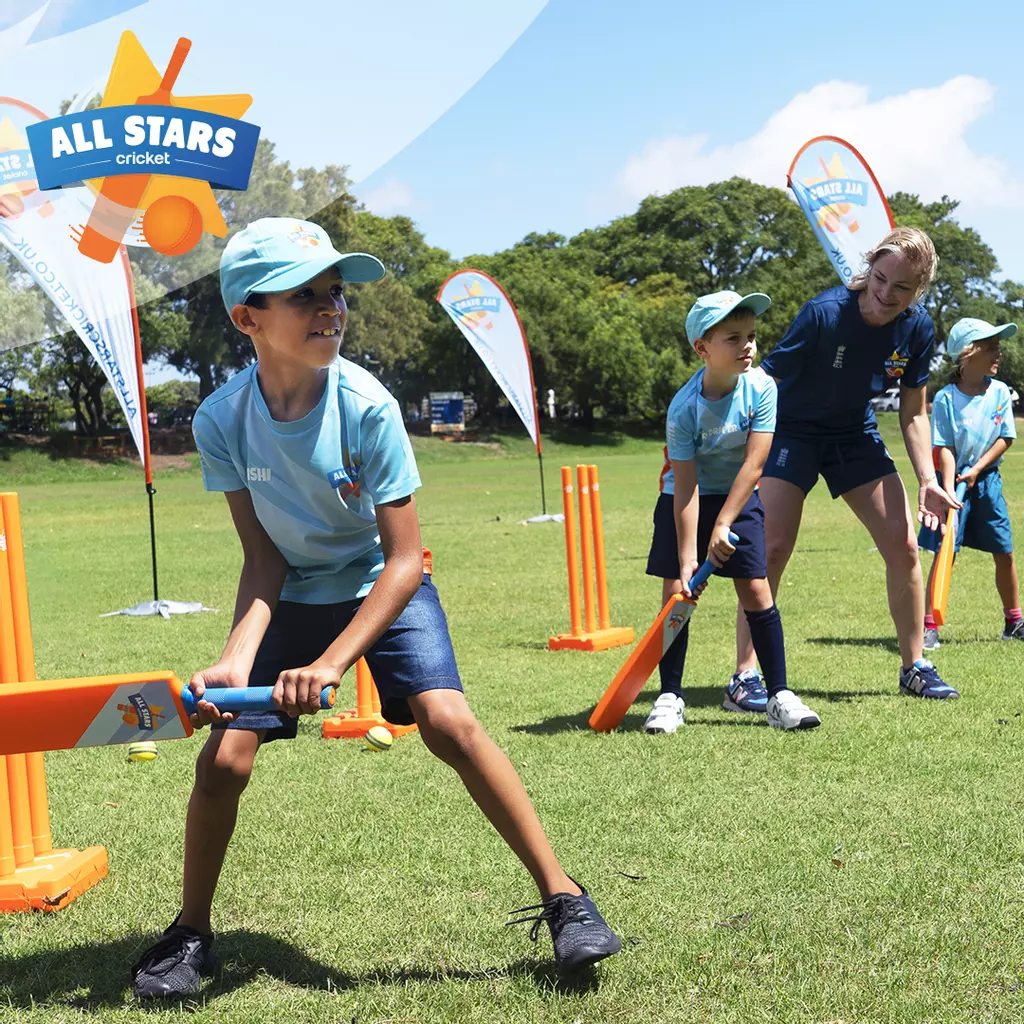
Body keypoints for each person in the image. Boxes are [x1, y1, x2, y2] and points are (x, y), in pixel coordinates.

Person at [130, 218, 620, 999]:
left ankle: (566, 900)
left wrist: (330, 664)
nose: (330, 309)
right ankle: (190, 933)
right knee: (222, 759)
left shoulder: (368, 406)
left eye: (336, 293)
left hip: (378, 586)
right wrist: (236, 656)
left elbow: (403, 562)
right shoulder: (220, 419)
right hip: (292, 591)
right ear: (248, 318)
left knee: (449, 723)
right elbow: (263, 559)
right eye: (305, 296)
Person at [735, 227, 961, 699]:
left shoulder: (917, 328)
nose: (885, 293)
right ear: (869, 267)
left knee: (903, 544)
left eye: (901, 287)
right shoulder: (824, 313)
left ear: (918, 289)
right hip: (791, 431)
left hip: (853, 435)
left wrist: (926, 478)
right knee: (770, 548)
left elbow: (914, 410)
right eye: (880, 278)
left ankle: (915, 665)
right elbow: (763, 382)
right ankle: (745, 677)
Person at [643, 290, 821, 735]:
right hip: (683, 500)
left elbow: (754, 464)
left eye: (752, 336)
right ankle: (669, 697)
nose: (747, 346)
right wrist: (688, 558)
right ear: (702, 348)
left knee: (757, 590)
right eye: (733, 337)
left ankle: (778, 695)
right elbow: (685, 486)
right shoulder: (683, 409)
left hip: (739, 498)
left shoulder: (762, 388)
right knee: (676, 592)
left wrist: (724, 522)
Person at [922, 317, 1020, 650]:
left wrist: (977, 468)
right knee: (944, 552)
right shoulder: (947, 399)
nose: (998, 354)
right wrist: (948, 489)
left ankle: (1014, 620)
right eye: (991, 347)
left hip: (987, 480)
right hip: (952, 484)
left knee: (1004, 552)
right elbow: (945, 447)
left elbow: (1006, 437)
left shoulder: (1000, 392)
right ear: (968, 354)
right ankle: (929, 625)